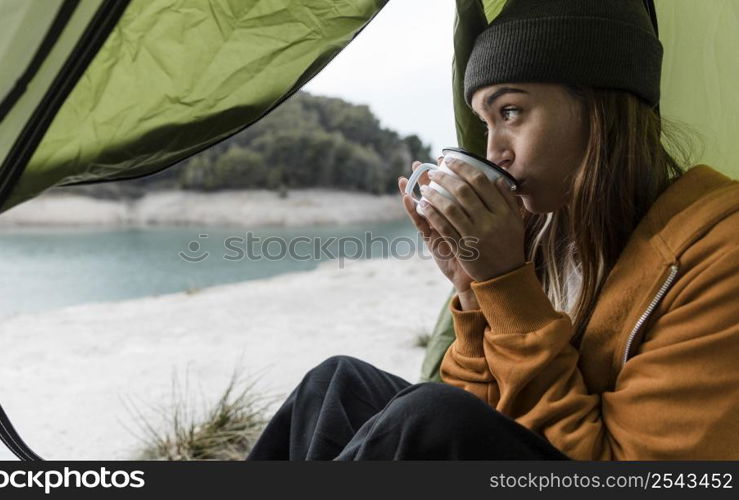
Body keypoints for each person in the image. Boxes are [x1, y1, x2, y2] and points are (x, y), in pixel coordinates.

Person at [246, 0, 739, 460]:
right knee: (336, 383)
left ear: (601, 106)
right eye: (486, 123)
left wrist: (506, 283)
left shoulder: (720, 248)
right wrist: (473, 291)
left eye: (511, 112)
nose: (495, 151)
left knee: (429, 417)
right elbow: (482, 418)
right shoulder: (550, 231)